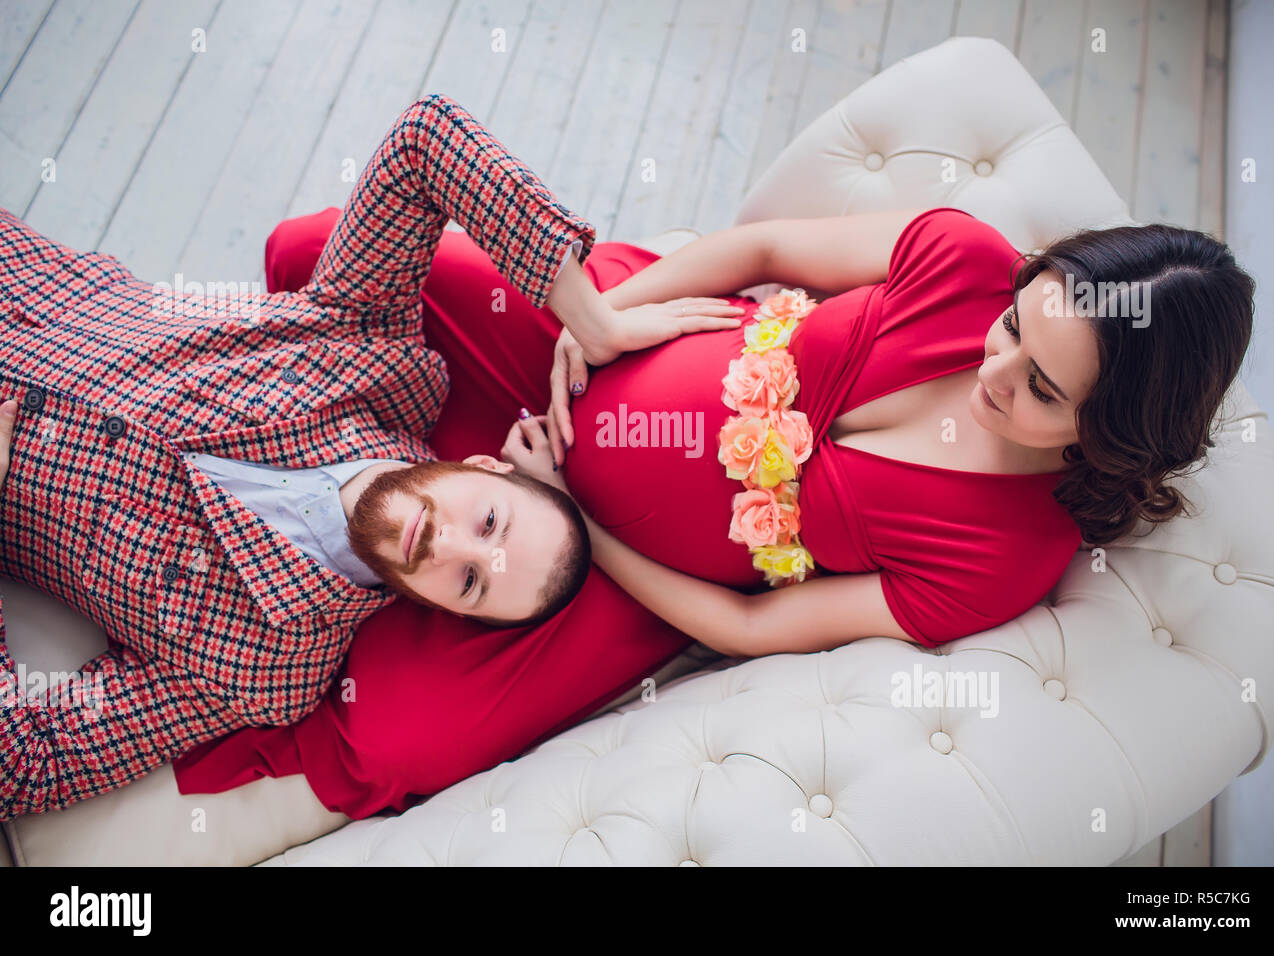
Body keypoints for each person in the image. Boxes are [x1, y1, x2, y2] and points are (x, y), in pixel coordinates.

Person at [171, 201, 1254, 817]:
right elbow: (764, 251)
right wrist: (591, 322)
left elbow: (744, 627)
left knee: (390, 736)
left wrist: (571, 523)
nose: (996, 369)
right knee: (316, 251)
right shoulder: (961, 259)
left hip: (624, 571)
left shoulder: (1005, 557)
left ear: (1108, 434)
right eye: (1016, 325)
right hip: (610, 345)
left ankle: (385, 509)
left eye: (1042, 390)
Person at [0, 92, 735, 819]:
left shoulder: (265, 666)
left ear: (444, 610)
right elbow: (427, 139)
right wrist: (593, 319)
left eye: (472, 583)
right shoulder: (370, 349)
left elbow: (23, 767)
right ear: (481, 467)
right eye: (486, 523)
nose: (446, 545)